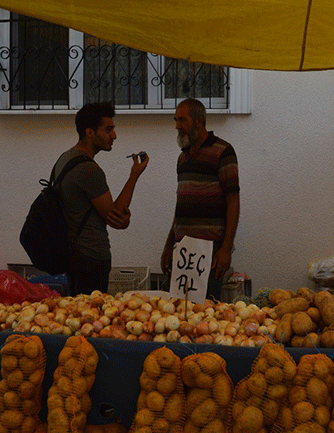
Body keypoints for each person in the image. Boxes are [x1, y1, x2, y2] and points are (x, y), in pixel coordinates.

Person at [54, 102, 149, 295]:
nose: (114, 136)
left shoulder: (65, 158)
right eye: (108, 129)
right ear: (90, 133)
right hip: (90, 259)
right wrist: (134, 175)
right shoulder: (88, 170)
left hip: (73, 256)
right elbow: (115, 216)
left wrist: (121, 220)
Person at [161, 99, 240, 300]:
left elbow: (233, 201)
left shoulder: (223, 151)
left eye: (182, 120)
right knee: (180, 311)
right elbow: (181, 206)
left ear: (198, 121)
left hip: (210, 251)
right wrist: (169, 244)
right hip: (183, 249)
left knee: (206, 311)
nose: (177, 126)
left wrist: (226, 249)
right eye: (175, 120)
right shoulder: (182, 159)